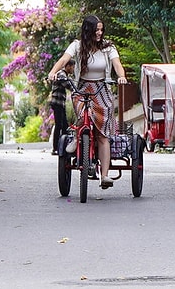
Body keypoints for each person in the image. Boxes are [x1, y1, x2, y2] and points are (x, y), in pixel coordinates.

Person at [48, 15, 127, 189]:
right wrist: (53, 72)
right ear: (88, 30)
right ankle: (79, 136)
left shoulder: (108, 47)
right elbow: (63, 60)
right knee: (84, 112)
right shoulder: (77, 46)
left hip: (102, 89)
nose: (99, 33)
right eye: (96, 30)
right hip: (82, 88)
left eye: (101, 29)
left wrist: (121, 77)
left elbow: (117, 64)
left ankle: (104, 176)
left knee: (103, 134)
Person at [49, 59, 75, 155]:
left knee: (65, 126)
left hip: (61, 103)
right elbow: (68, 85)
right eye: (72, 67)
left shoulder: (65, 75)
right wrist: (76, 89)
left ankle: (63, 146)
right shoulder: (61, 74)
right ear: (68, 66)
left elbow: (71, 82)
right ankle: (55, 148)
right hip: (57, 103)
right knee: (59, 125)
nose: (73, 69)